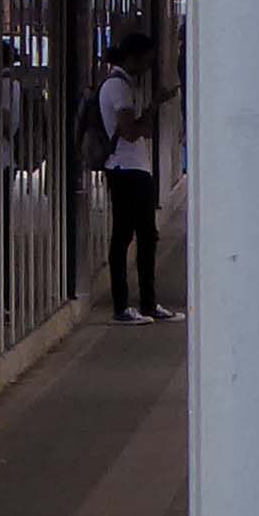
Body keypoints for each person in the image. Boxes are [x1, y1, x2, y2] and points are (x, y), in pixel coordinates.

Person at [97, 28, 175, 323]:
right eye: (145, 61)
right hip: (126, 169)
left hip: (131, 168)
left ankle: (143, 302)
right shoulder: (118, 88)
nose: (147, 68)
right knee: (130, 236)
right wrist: (149, 116)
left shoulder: (121, 85)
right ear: (133, 57)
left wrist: (153, 106)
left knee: (141, 236)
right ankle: (132, 304)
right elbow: (131, 131)